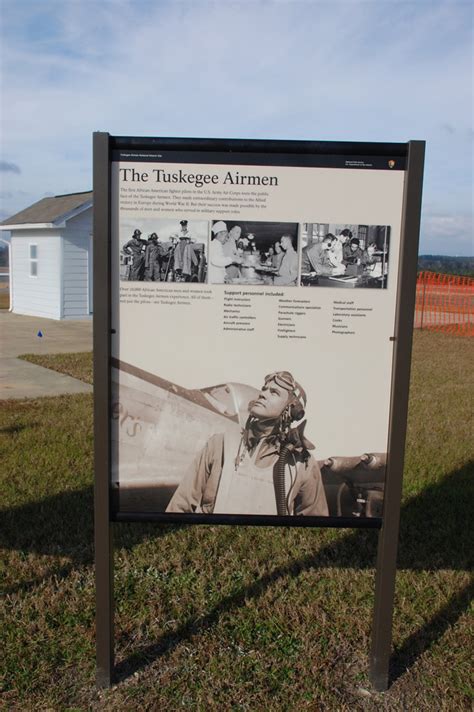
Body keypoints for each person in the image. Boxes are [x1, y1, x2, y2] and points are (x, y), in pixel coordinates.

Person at [166, 371, 329, 516]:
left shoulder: (303, 464)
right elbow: (179, 508)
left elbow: (316, 528)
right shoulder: (219, 444)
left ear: (291, 410)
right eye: (264, 389)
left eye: (274, 392)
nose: (262, 394)